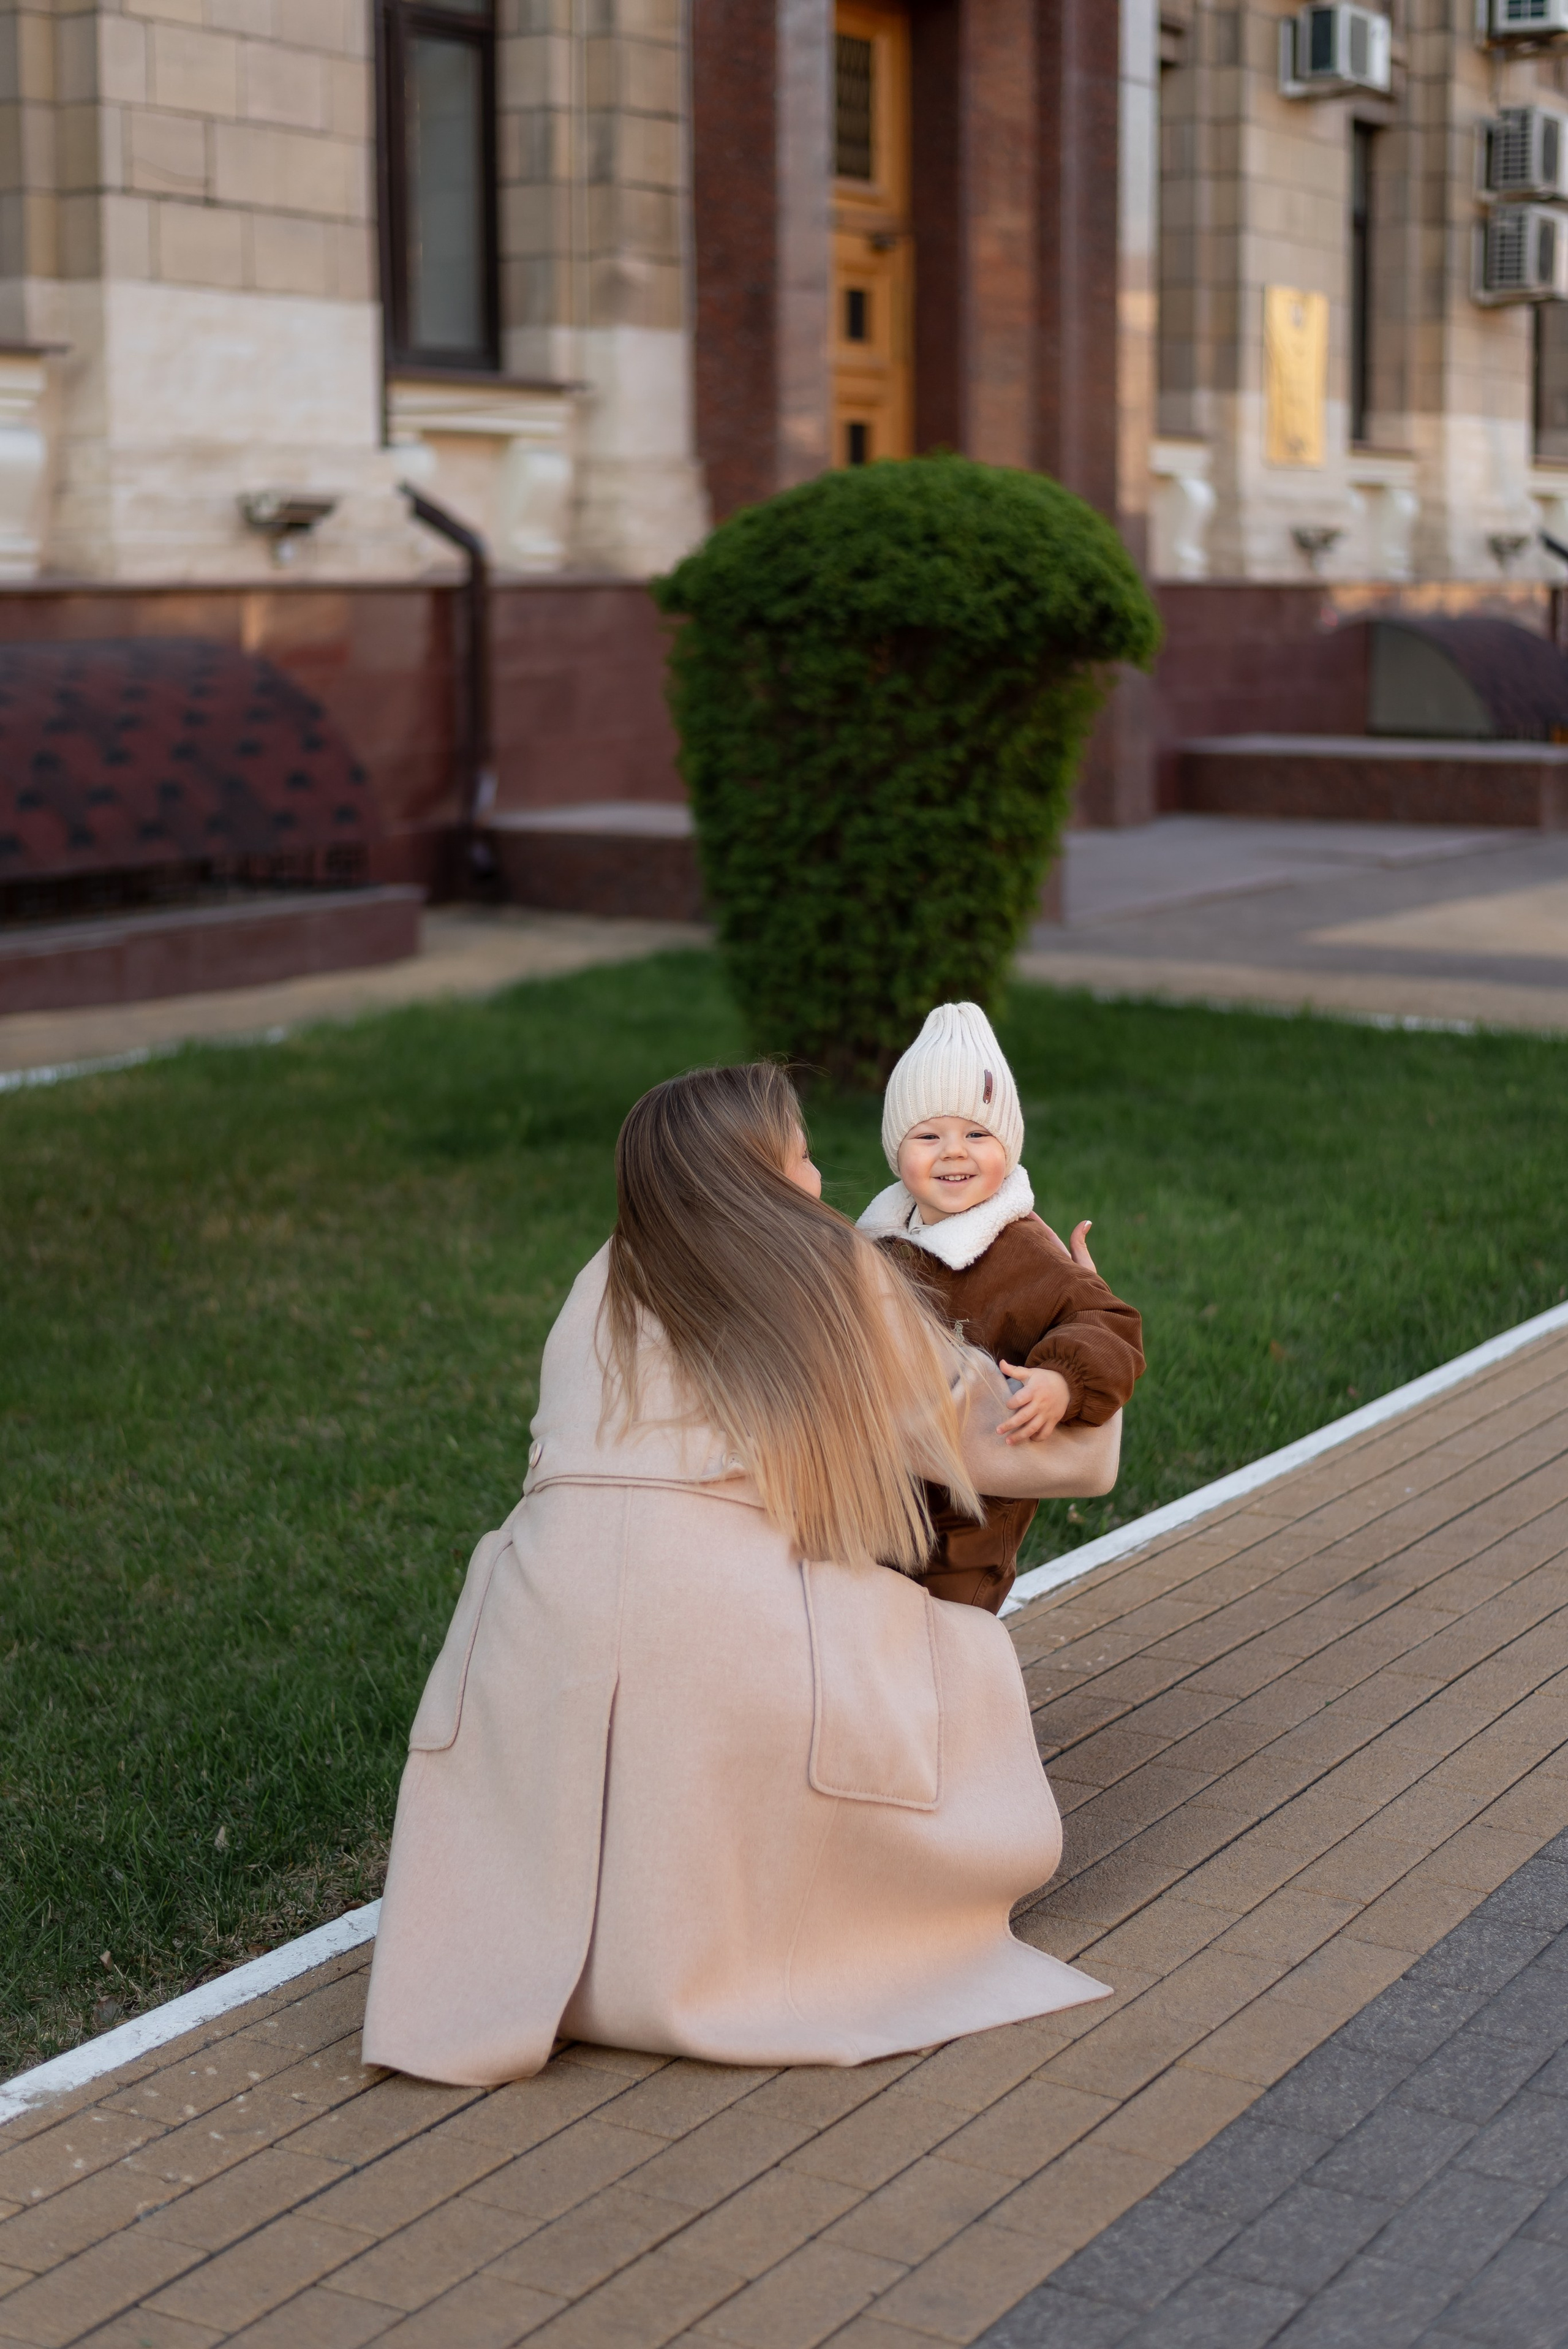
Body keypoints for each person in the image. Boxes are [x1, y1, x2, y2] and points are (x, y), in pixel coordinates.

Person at [361, 1063, 1117, 2086]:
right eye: (801, 1155)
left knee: (650, 1669)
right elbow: (1026, 1450)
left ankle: (568, 1957)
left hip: (528, 1632)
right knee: (951, 1653)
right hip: (719, 1623)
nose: (818, 1181)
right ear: (752, 1173)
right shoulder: (825, 1268)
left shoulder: (605, 1277)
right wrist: (1089, 1350)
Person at [859, 1002, 1145, 1613]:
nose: (953, 1153)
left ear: (1008, 1146)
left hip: (977, 1507)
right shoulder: (877, 1243)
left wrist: (1063, 1382)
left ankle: (966, 1702)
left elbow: (1109, 1324)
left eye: (977, 1134)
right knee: (871, 1612)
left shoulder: (1023, 1250)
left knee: (951, 1625)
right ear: (896, 1149)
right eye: (928, 1135)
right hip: (881, 1487)